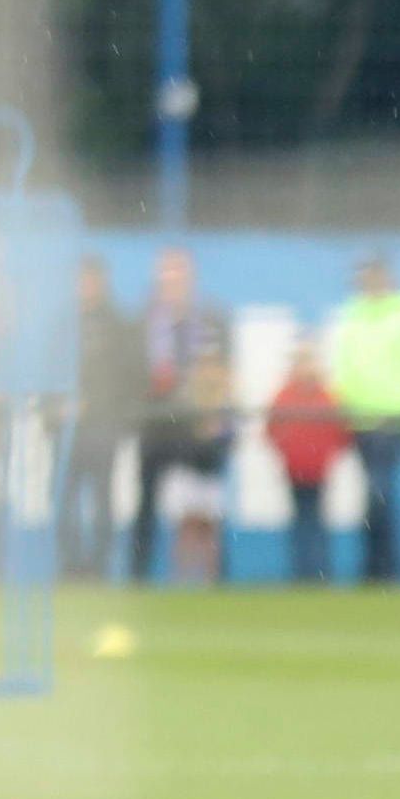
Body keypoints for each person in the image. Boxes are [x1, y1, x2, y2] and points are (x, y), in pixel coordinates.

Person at [325, 254, 400, 585]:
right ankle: (377, 569)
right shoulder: (354, 314)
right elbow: (344, 366)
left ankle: (386, 569)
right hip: (361, 421)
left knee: (383, 491)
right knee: (376, 493)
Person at [134, 248, 232, 586]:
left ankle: (214, 579)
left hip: (197, 428)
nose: (173, 284)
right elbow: (130, 371)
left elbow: (223, 370)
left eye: (179, 276)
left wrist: (212, 413)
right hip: (155, 426)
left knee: (205, 506)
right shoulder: (145, 323)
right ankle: (140, 577)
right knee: (146, 502)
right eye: (167, 277)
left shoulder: (209, 320)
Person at [65, 257, 145, 579]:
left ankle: (97, 566)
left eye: (92, 280)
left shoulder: (118, 325)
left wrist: (107, 410)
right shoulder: (63, 324)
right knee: (64, 499)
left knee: (102, 499)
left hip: (102, 426)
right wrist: (58, 409)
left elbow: (128, 375)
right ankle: (70, 565)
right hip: (67, 429)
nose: (87, 287)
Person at [263, 345, 349, 584]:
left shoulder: (326, 396)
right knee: (301, 521)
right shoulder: (285, 395)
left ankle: (320, 573)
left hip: (319, 471)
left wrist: (324, 456)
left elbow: (341, 433)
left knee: (317, 521)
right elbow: (272, 430)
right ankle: (301, 574)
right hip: (294, 470)